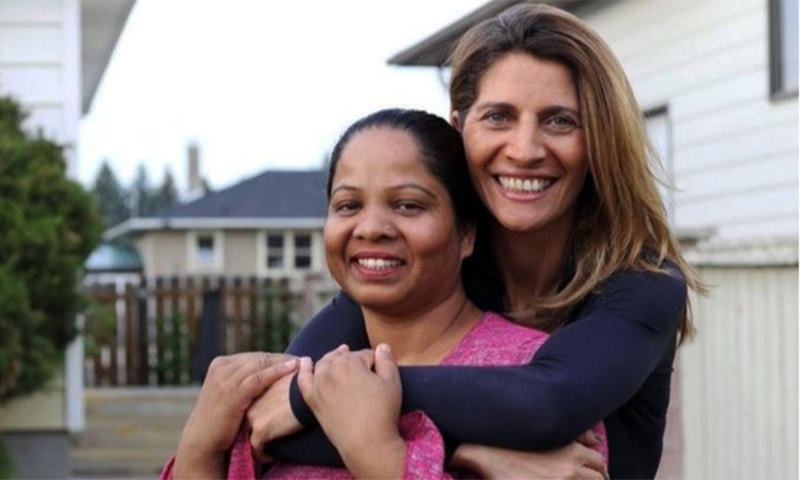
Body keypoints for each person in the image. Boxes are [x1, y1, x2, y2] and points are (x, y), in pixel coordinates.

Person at [250, 4, 701, 479]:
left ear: (600, 140)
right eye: (499, 117)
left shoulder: (642, 283)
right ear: (460, 127)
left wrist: (324, 395)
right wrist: (477, 457)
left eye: (560, 121)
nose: (525, 150)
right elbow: (273, 426)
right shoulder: (436, 264)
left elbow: (544, 405)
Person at [162, 108, 608, 479]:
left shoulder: (530, 376)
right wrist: (200, 445)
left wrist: (378, 452)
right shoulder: (287, 390)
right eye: (348, 206)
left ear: (467, 234)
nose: (370, 228)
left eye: (408, 205)